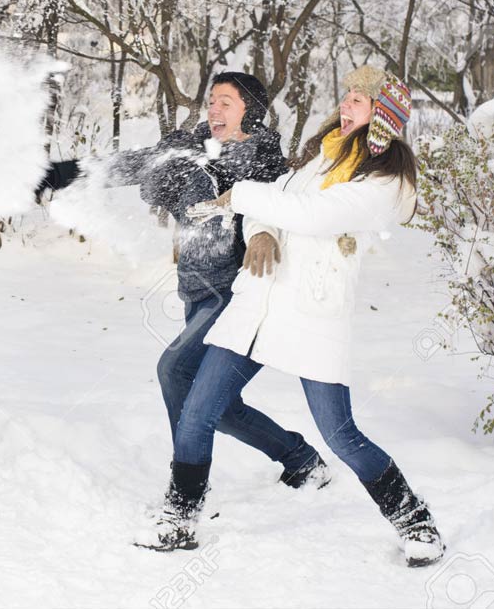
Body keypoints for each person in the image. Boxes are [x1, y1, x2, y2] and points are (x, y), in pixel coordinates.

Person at [149, 66, 445, 567]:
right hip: (258, 303)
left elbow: (314, 216)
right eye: (347, 96)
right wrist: (261, 230)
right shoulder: (321, 156)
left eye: (358, 100)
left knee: (341, 435)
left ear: (383, 117)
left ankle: (415, 521)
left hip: (312, 315)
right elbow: (282, 200)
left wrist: (240, 197)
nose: (345, 105)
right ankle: (180, 519)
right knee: (200, 410)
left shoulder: (384, 182)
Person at [40, 73, 330, 490]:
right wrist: (65, 172)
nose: (213, 109)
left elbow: (275, 218)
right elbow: (136, 164)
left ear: (250, 111)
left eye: (226, 103)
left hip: (239, 295)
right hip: (197, 291)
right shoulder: (191, 145)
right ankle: (300, 459)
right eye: (211, 100)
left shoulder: (265, 167)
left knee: (175, 371)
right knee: (223, 408)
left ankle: (189, 483)